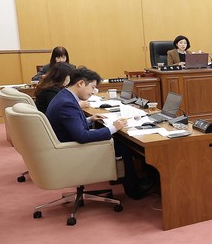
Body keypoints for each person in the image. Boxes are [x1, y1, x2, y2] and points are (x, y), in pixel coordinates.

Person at [45, 67, 154, 199]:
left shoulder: (64, 96)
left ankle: (138, 180)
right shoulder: (67, 103)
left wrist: (89, 119)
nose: (93, 92)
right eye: (92, 87)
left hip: (65, 144)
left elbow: (69, 125)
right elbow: (82, 136)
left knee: (119, 140)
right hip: (71, 150)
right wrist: (113, 127)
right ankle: (134, 189)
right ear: (80, 83)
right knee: (122, 145)